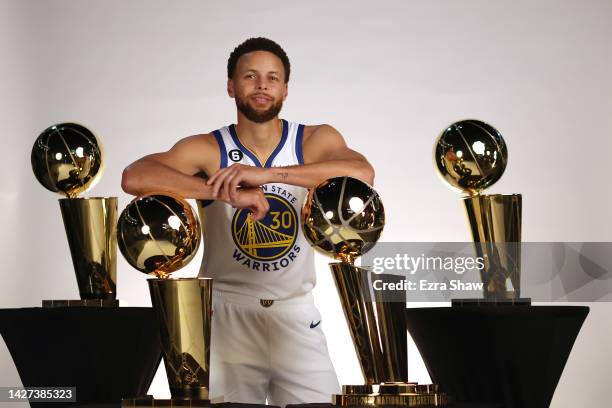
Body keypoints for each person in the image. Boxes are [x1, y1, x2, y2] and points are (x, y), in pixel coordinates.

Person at [121, 37, 374, 406]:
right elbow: (135, 177)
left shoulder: (314, 140)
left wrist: (266, 174)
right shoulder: (208, 148)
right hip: (227, 314)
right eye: (250, 76)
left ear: (285, 89)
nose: (262, 85)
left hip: (295, 312)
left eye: (273, 78)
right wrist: (223, 191)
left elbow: (362, 172)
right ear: (231, 86)